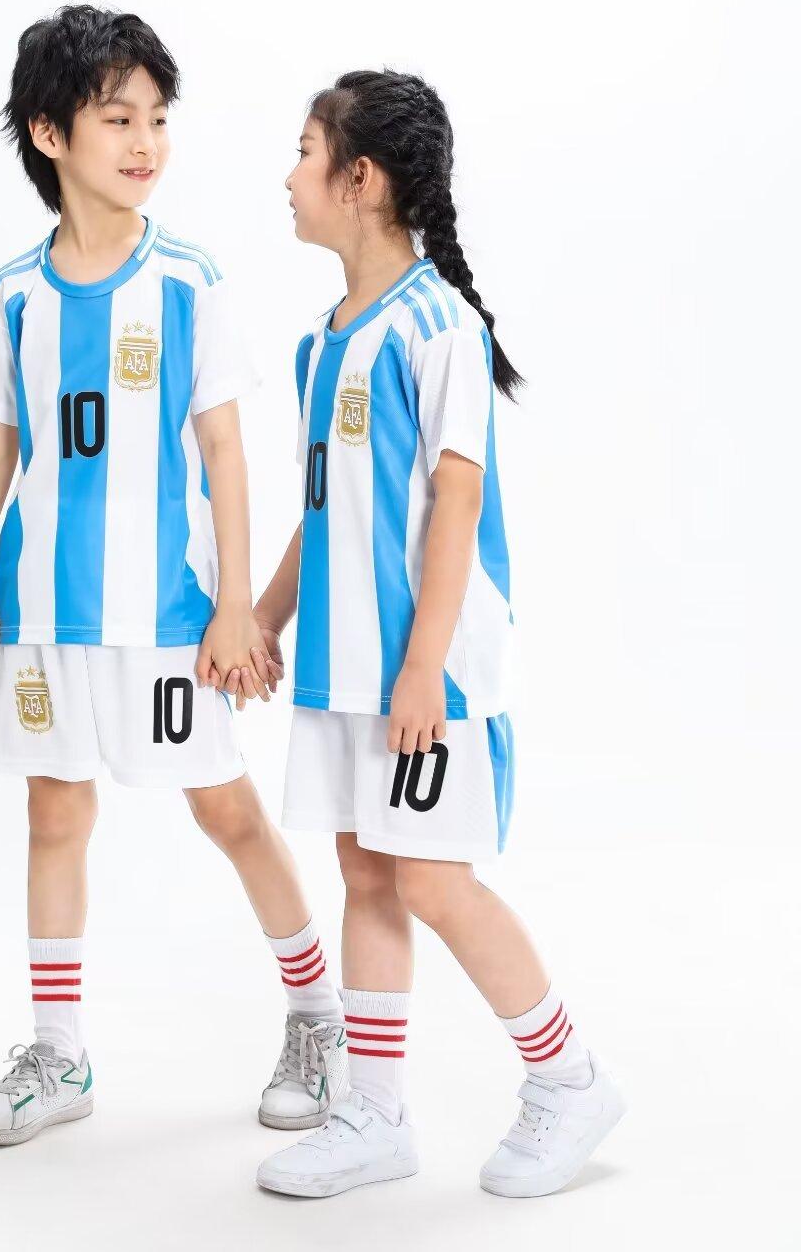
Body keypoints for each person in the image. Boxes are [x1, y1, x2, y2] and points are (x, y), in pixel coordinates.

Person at [0, 4, 347, 1147]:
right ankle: (58, 1053)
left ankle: (321, 1017)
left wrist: (233, 606)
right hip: (44, 612)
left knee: (226, 806)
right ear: (48, 132)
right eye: (118, 118)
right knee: (54, 810)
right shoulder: (11, 296)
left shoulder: (185, 282)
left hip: (168, 610)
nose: (145, 142)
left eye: (158, 118)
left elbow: (225, 450)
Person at [250, 69, 625, 1198]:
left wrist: (423, 668)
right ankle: (374, 1113)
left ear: (359, 178)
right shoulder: (324, 343)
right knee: (366, 868)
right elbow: (324, 511)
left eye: (305, 150)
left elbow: (455, 502)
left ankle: (569, 1077)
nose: (288, 174)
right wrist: (263, 617)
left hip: (429, 669)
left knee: (432, 877)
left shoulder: (438, 324)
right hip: (346, 667)